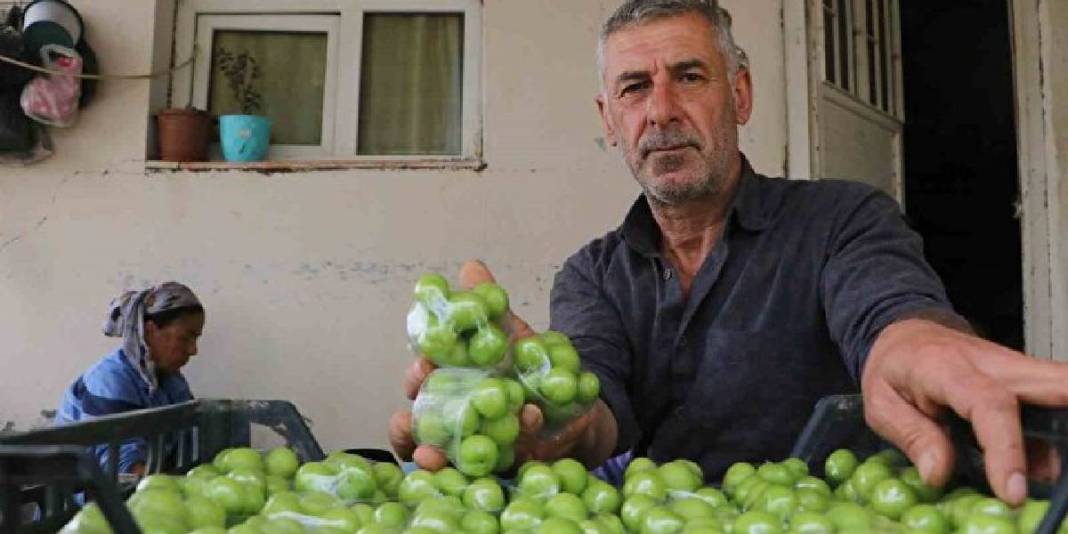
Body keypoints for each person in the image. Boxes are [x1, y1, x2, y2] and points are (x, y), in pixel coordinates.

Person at [390, 0, 1068, 506]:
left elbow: (889, 309)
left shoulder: (842, 219)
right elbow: (596, 410)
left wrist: (914, 343)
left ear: (739, 95)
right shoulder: (592, 275)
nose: (661, 111)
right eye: (634, 88)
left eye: (689, 77)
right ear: (610, 121)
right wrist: (545, 415)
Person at [55, 282, 205, 474]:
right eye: (185, 338)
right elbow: (121, 468)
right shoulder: (109, 380)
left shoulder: (172, 382)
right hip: (86, 490)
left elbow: (188, 444)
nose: (193, 350)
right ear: (150, 331)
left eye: (196, 339)